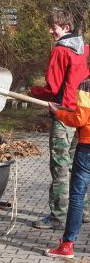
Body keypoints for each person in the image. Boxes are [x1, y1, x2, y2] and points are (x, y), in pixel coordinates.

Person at [29, 8, 90, 229]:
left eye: (53, 27)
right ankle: (81, 211)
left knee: (60, 166)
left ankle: (57, 216)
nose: (50, 31)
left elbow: (53, 88)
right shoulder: (85, 49)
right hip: (82, 114)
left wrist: (33, 91)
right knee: (78, 166)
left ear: (65, 27)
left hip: (64, 114)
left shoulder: (60, 51)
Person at [44, 76, 90, 258]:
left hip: (87, 148)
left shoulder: (87, 85)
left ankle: (67, 246)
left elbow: (79, 119)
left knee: (77, 197)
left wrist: (59, 113)